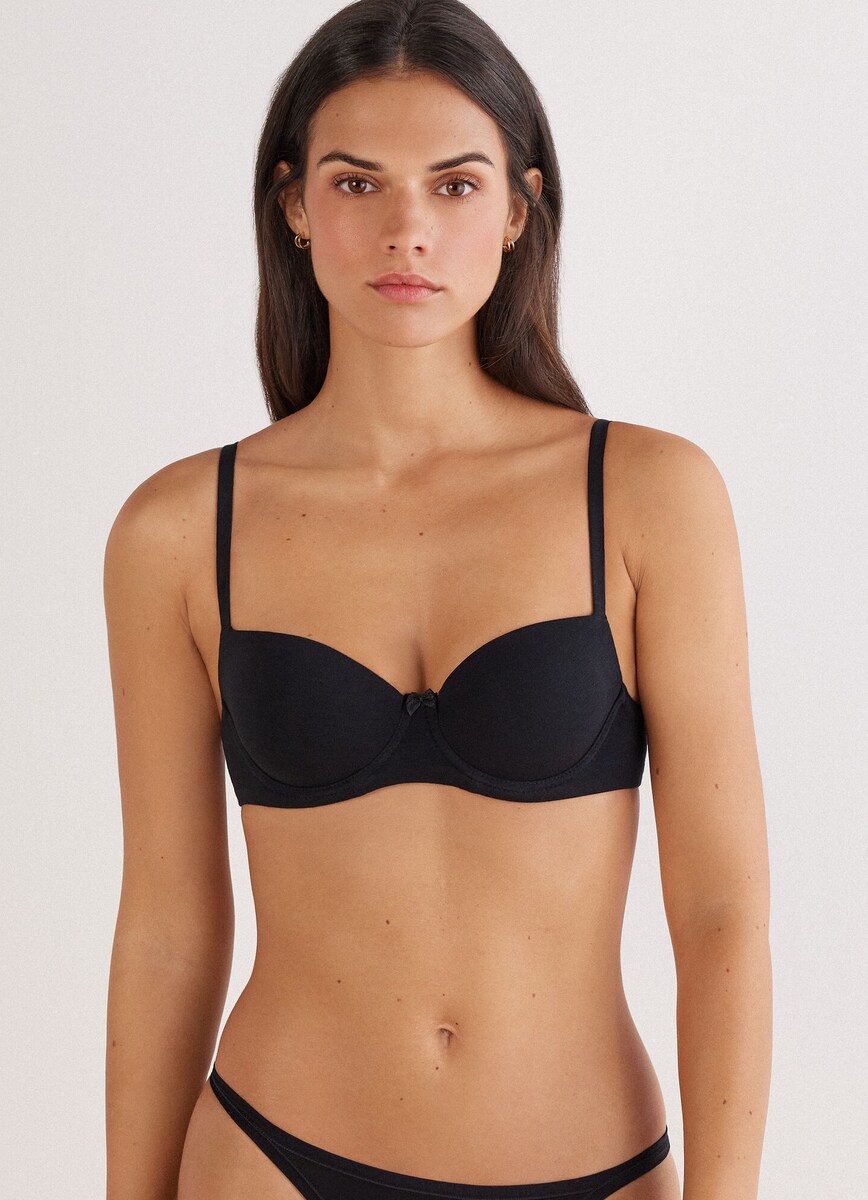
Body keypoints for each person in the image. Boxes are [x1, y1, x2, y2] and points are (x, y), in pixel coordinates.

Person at [103, 2, 772, 1198]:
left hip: (589, 1165)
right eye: (357, 183)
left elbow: (722, 911)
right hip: (269, 1156)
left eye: (454, 186)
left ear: (518, 209)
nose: (405, 229)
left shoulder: (646, 496)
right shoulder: (178, 531)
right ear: (293, 204)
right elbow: (165, 930)